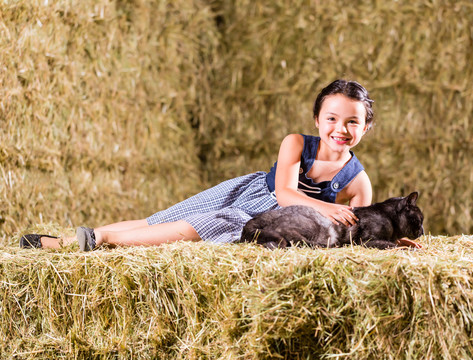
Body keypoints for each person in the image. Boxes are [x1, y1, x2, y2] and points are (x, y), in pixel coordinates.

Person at [20, 79, 376, 251]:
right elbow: (284, 192)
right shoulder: (296, 143)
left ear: (366, 127)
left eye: (352, 122)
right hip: (250, 192)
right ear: (316, 120)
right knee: (160, 219)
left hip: (267, 223)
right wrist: (329, 208)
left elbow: (358, 235)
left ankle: (102, 239)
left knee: (193, 228)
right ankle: (71, 241)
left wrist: (396, 242)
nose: (340, 129)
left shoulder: (358, 183)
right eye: (331, 118)